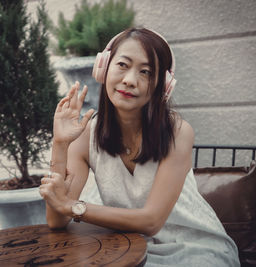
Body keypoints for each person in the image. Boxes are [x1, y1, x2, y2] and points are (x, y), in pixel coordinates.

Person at [39, 27, 240, 266]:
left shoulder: (178, 132)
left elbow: (152, 221)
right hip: (125, 247)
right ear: (103, 68)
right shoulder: (86, 136)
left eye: (145, 72)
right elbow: (56, 221)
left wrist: (72, 207)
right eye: (122, 65)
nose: (130, 80)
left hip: (192, 247)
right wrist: (60, 144)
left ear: (163, 85)